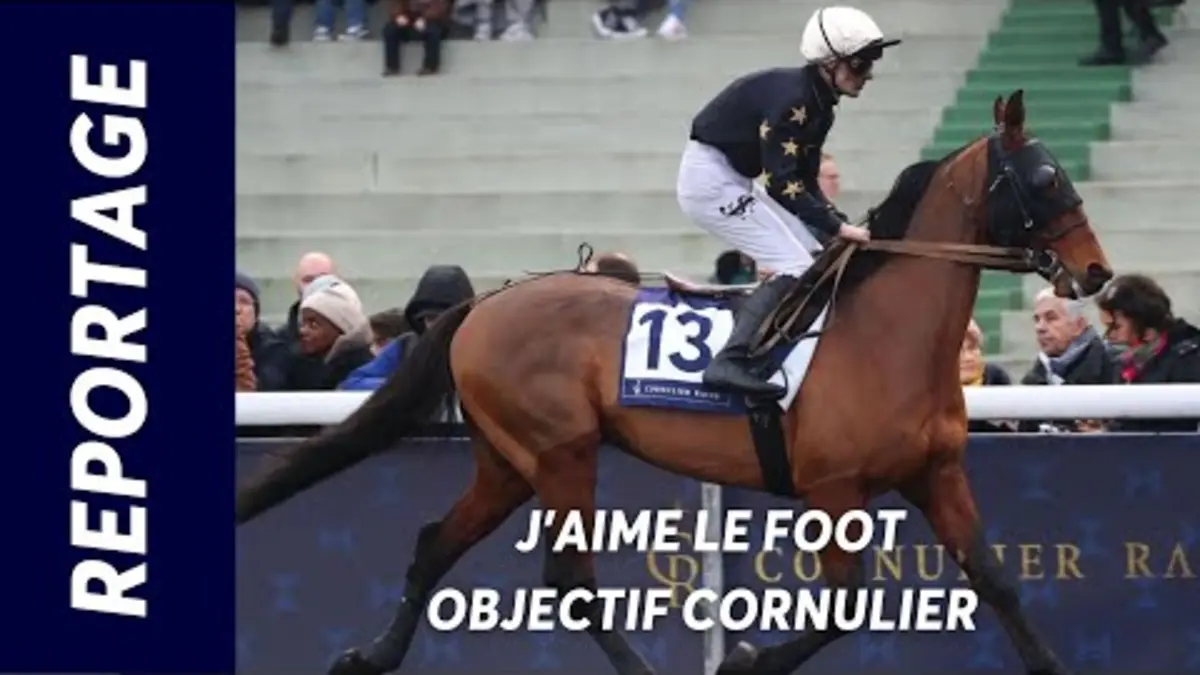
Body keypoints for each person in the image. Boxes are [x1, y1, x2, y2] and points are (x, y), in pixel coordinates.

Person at [676, 5, 899, 398]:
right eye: (860, 64)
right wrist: (836, 225)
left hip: (731, 176)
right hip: (710, 182)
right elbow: (781, 183)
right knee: (795, 265)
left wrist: (835, 224)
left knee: (818, 254)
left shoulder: (820, 105)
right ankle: (730, 361)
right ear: (829, 63)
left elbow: (804, 179)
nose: (868, 74)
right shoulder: (795, 101)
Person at [1095, 274, 1200, 432]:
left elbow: (1172, 430)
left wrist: (1110, 433)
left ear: (1148, 330)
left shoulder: (1189, 363)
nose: (1109, 337)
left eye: (1116, 327)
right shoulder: (1126, 363)